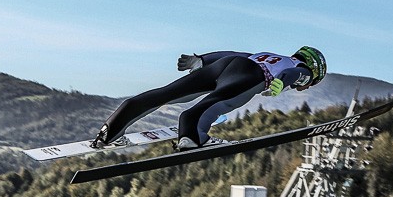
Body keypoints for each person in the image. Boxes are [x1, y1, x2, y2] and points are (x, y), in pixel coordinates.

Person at [92, 47, 327, 151]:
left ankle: (110, 131)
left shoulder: (271, 55)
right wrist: (283, 82)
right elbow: (297, 74)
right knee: (217, 102)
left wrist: (202, 60)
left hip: (226, 65)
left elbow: (234, 54)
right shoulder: (303, 69)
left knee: (167, 93)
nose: (304, 88)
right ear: (314, 70)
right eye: (311, 83)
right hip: (252, 75)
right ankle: (192, 137)